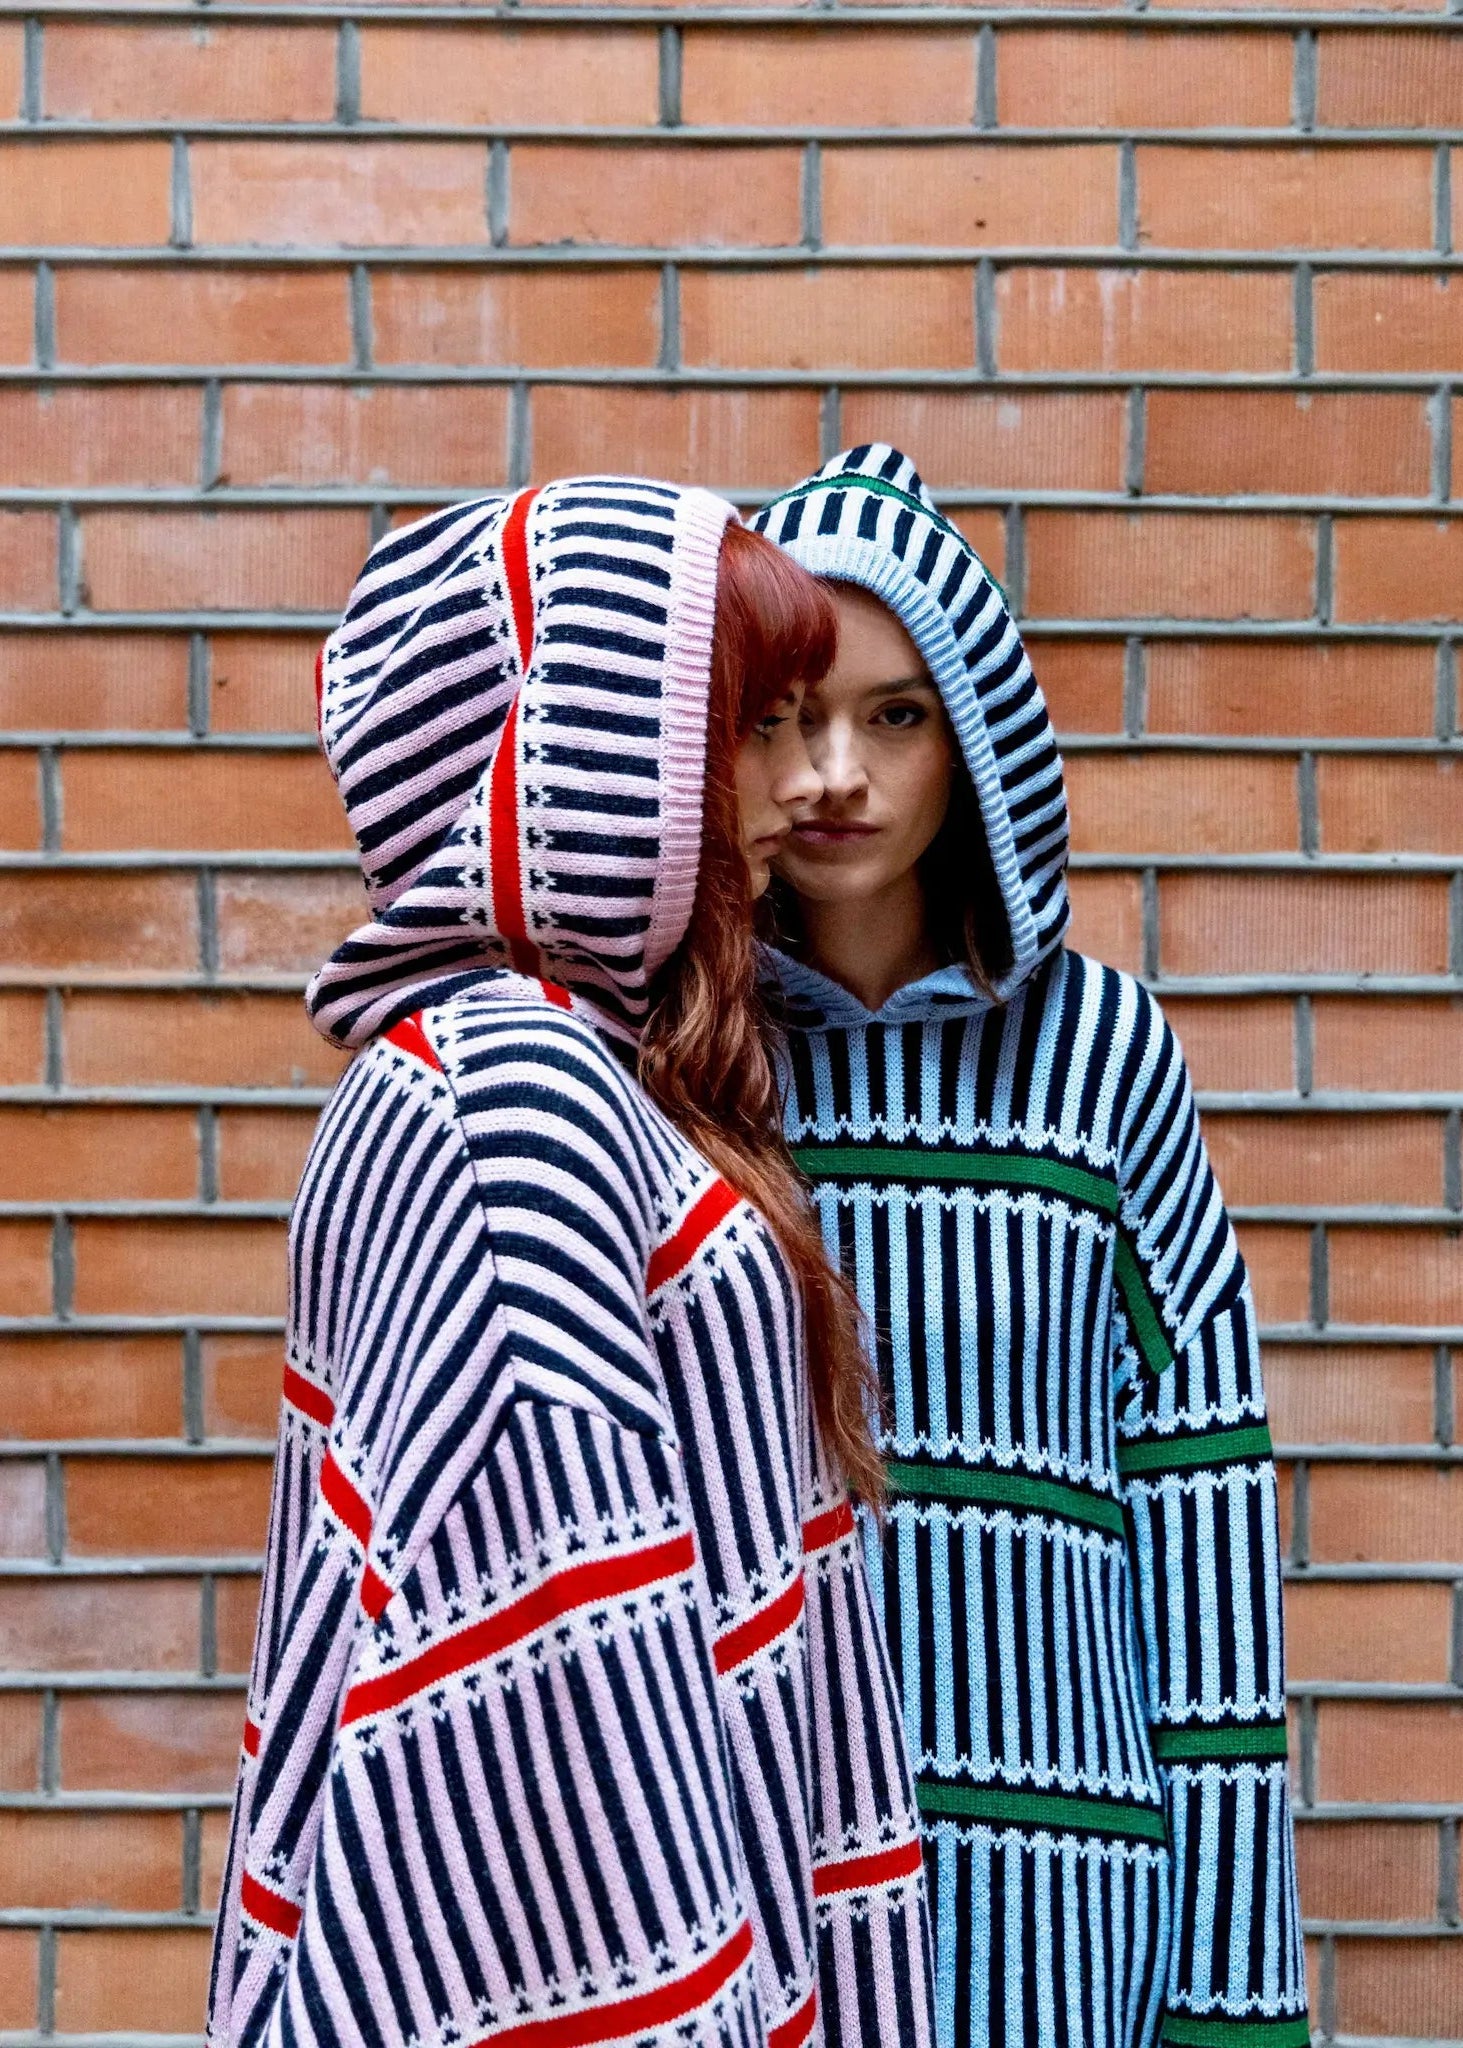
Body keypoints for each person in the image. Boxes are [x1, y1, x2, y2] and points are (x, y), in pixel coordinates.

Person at [207, 480, 936, 2048]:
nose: (802, 783)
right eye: (746, 723)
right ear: (589, 763)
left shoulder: (576, 1070)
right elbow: (551, 1755)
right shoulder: (506, 1106)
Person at [752, 447, 1307, 2048]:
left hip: (1067, 1907)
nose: (835, 770)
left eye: (895, 714)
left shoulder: (1105, 1055)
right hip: (764, 1879)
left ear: (977, 737)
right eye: (788, 715)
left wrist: (1236, 1997)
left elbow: (1202, 1522)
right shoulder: (683, 1064)